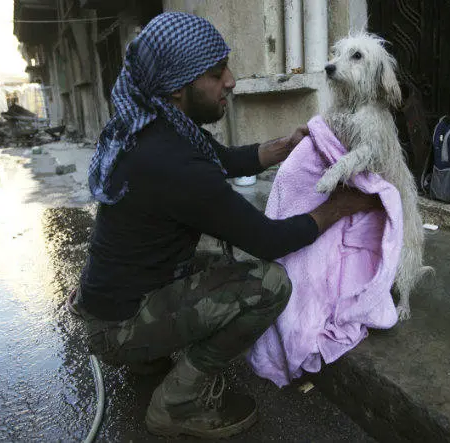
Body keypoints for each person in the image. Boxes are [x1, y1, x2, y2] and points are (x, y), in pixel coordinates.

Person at [72, 11, 382, 439]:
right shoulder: (175, 162)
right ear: (178, 87)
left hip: (112, 299)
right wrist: (340, 206)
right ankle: (177, 402)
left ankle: (147, 354)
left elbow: (225, 159)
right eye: (218, 75)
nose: (232, 81)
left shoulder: (157, 125)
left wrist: (287, 147)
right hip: (115, 326)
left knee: (217, 263)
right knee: (267, 285)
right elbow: (268, 240)